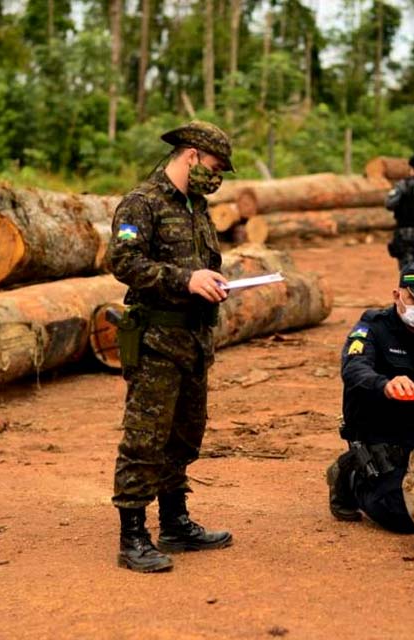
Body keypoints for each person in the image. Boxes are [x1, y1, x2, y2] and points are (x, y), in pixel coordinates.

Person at [106, 120, 236, 573]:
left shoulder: (197, 207)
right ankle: (133, 535)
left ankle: (175, 522)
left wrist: (212, 281)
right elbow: (123, 261)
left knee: (184, 434)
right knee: (146, 437)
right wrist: (185, 279)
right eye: (215, 167)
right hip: (156, 339)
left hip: (194, 339)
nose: (217, 177)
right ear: (191, 155)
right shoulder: (141, 203)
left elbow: (201, 265)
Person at [326, 262, 414, 533]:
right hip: (380, 434)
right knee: (404, 515)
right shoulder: (372, 328)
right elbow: (353, 368)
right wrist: (384, 384)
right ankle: (350, 475)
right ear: (397, 295)